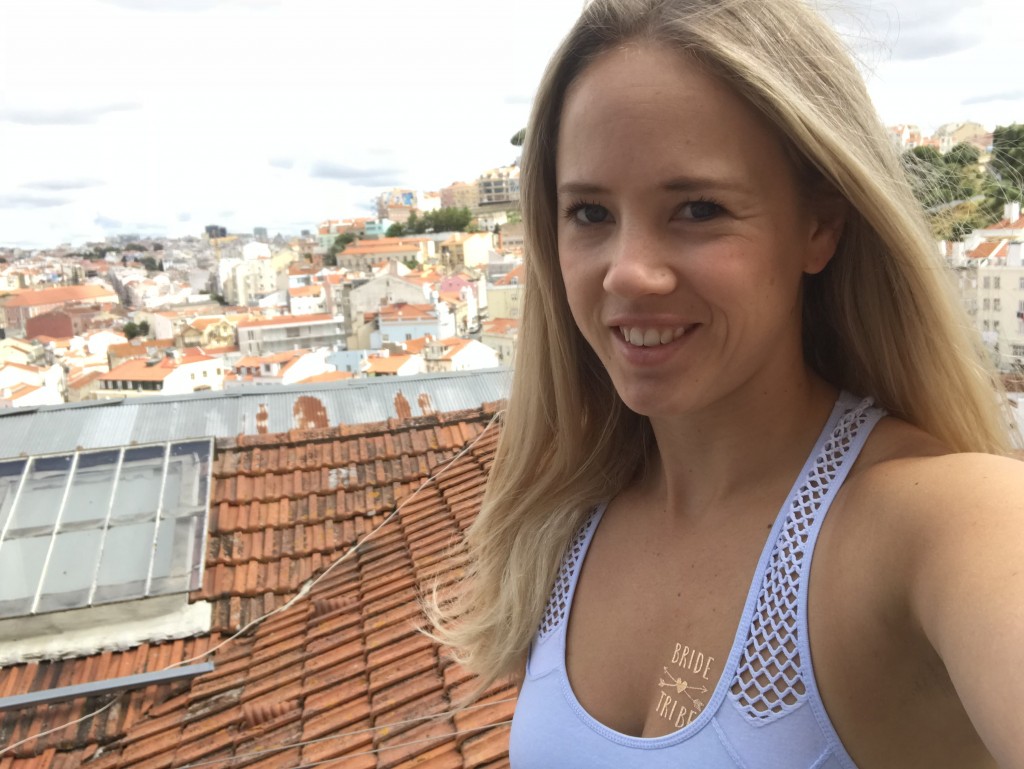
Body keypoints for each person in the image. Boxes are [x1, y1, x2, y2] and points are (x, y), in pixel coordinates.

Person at [430, 0, 1024, 766]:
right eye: (589, 212)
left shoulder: (944, 524)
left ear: (819, 225)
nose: (628, 270)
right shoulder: (560, 521)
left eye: (699, 208)